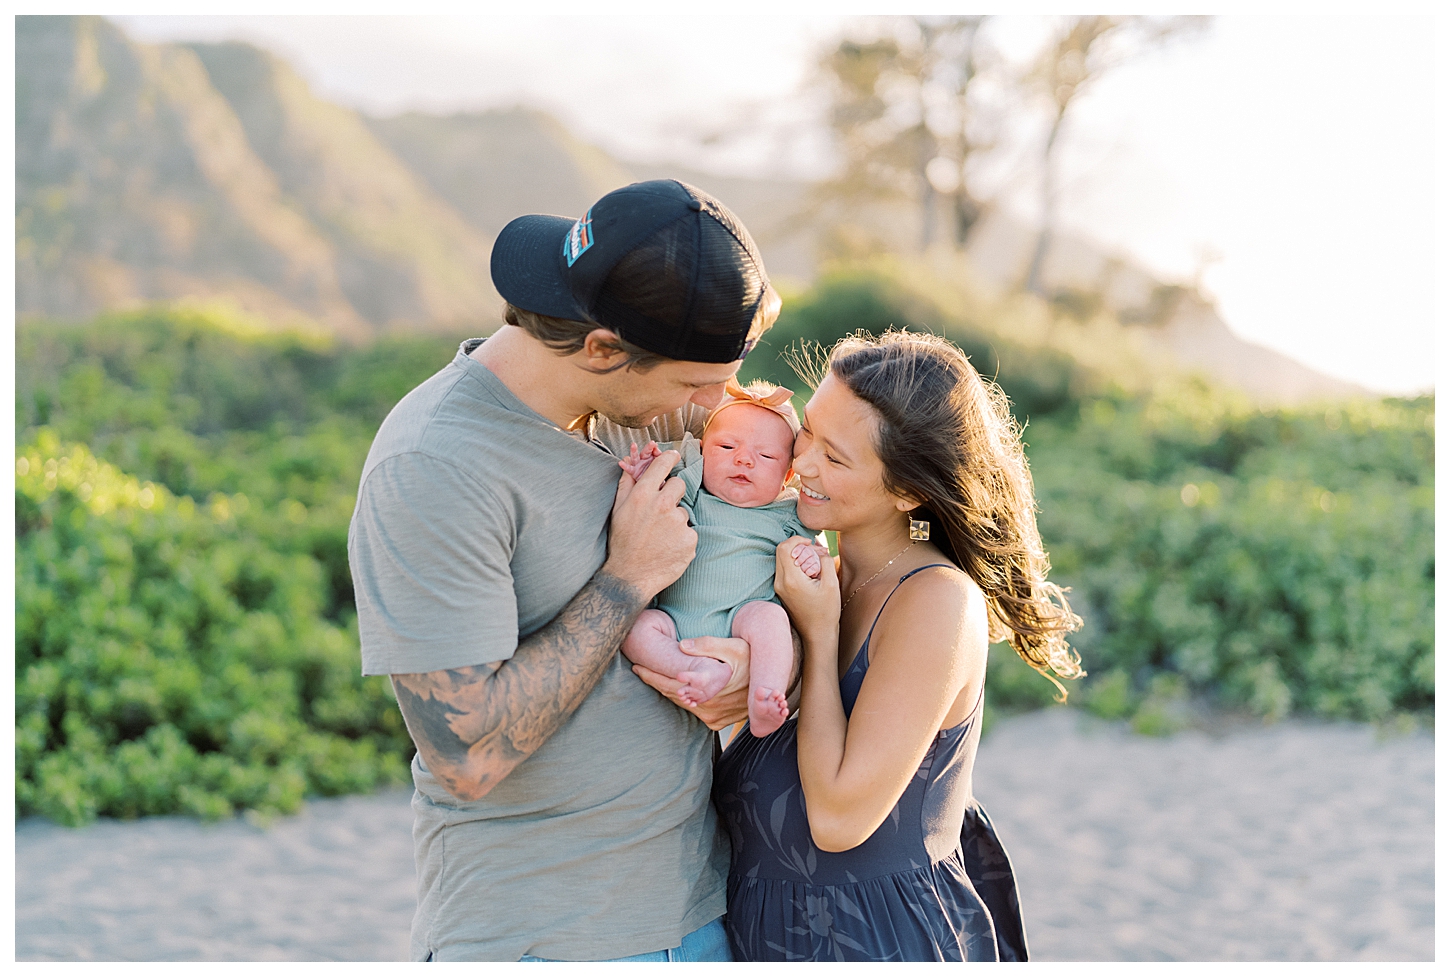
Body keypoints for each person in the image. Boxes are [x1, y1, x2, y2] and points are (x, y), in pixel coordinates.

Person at [348, 179, 782, 962]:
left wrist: (751, 659)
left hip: (698, 910)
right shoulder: (435, 467)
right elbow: (465, 751)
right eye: (695, 383)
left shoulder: (627, 402)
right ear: (603, 348)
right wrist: (626, 580)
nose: (720, 404)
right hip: (546, 935)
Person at [701, 329, 1085, 961]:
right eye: (809, 432)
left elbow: (839, 819)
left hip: (877, 943)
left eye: (837, 456)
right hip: (765, 934)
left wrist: (819, 640)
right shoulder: (808, 561)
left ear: (908, 491)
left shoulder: (934, 600)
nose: (803, 465)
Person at [619, 379, 822, 738]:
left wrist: (810, 558)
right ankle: (693, 668)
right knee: (635, 627)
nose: (743, 459)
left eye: (767, 456)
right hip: (674, 619)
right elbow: (654, 506)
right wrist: (646, 476)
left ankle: (764, 695)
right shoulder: (692, 490)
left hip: (741, 619)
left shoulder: (788, 513)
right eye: (727, 446)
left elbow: (811, 552)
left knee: (770, 617)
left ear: (787, 476)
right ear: (701, 452)